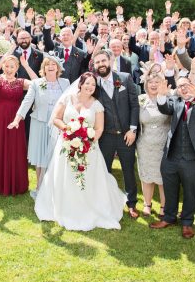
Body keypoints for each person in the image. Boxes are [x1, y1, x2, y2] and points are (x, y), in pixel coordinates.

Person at [34, 72, 126, 230]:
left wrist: (87, 142)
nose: (90, 87)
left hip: (88, 147)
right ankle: (63, 206)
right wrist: (68, 130)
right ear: (80, 84)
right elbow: (56, 118)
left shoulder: (97, 105)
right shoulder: (67, 99)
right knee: (65, 175)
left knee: (87, 176)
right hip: (66, 145)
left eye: (93, 84)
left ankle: (88, 206)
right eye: (87, 83)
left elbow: (99, 128)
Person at [149, 76, 195, 239]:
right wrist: (161, 95)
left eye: (186, 85)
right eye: (180, 86)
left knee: (191, 191)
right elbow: (164, 109)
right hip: (172, 155)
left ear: (193, 85)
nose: (183, 88)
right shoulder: (176, 101)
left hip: (194, 157)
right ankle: (169, 217)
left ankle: (187, 222)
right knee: (170, 188)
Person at [9, 56, 70, 197]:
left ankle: (55, 187)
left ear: (58, 68)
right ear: (43, 68)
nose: (50, 66)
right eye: (47, 64)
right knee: (40, 156)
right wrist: (17, 119)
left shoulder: (65, 83)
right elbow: (27, 102)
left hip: (58, 124)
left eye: (53, 64)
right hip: (39, 123)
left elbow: (71, 102)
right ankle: (40, 186)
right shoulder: (36, 83)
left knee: (56, 155)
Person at [91, 49, 141, 218]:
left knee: (128, 169)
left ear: (110, 61)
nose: (100, 65)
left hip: (126, 134)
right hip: (105, 136)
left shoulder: (125, 78)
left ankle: (132, 203)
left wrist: (133, 129)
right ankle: (106, 201)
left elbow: (135, 105)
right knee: (104, 170)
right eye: (97, 63)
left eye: (103, 61)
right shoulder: (94, 85)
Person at [0, 54, 34, 196]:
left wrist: (27, 66)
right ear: (3, 67)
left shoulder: (21, 82)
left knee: (15, 148)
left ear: (17, 68)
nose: (9, 69)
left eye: (12, 66)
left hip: (17, 117)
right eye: (6, 66)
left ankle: (16, 183)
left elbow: (38, 83)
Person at [136, 66, 171, 218]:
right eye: (151, 81)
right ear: (146, 84)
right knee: (146, 176)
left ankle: (164, 206)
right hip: (145, 144)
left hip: (164, 144)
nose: (154, 84)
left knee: (163, 177)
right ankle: (147, 204)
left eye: (157, 81)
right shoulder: (140, 100)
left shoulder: (168, 99)